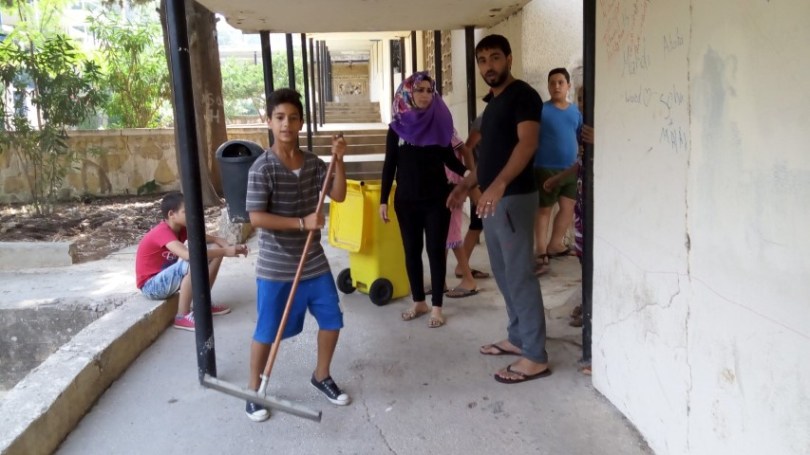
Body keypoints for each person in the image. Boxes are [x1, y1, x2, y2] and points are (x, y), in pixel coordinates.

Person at [447, 34, 551, 383]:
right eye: (482, 60)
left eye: (494, 57)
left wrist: (500, 184)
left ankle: (535, 355)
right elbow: (489, 159)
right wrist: (466, 185)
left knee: (519, 274)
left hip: (513, 197)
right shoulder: (492, 105)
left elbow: (528, 144)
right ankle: (518, 337)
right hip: (493, 199)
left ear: (509, 58)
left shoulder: (523, 95)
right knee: (504, 274)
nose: (488, 66)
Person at [244, 88, 349, 422]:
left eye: (292, 118)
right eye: (279, 118)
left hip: (313, 262)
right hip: (276, 266)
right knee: (267, 331)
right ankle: (253, 389)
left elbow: (339, 194)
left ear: (301, 122)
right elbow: (256, 217)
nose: (286, 124)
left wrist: (338, 161)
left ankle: (321, 375)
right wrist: (302, 222)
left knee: (332, 320)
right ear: (269, 121)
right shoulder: (262, 168)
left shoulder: (314, 163)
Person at [379, 71, 468, 328]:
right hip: (406, 201)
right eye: (419, 90)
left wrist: (469, 174)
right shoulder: (397, 128)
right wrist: (383, 200)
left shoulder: (438, 124)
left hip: (437, 200)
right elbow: (389, 165)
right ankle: (419, 301)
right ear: (408, 93)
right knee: (411, 251)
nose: (426, 95)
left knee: (436, 251)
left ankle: (437, 307)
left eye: (430, 90)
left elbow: (449, 159)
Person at [135, 191, 248, 331]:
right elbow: (188, 255)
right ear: (171, 214)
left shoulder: (181, 229)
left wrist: (223, 243)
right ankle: (181, 316)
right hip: (151, 286)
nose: (191, 214)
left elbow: (207, 238)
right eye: (186, 211)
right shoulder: (162, 232)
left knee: (215, 248)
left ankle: (203, 303)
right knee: (193, 262)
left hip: (166, 279)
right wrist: (226, 251)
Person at [533, 68, 583, 274]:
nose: (556, 86)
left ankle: (555, 244)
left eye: (561, 82)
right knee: (544, 209)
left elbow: (579, 136)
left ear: (568, 86)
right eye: (552, 83)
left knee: (568, 207)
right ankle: (541, 250)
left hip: (570, 169)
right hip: (545, 168)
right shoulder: (541, 111)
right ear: (548, 86)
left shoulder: (575, 112)